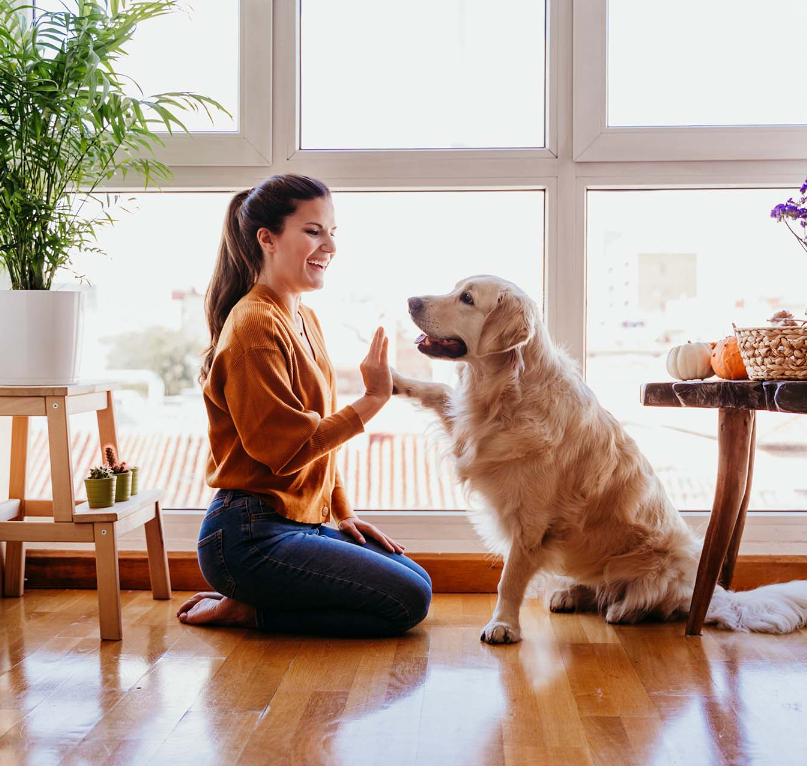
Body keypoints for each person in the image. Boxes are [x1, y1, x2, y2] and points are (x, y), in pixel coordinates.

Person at [177, 174, 432, 637]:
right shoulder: (254, 326)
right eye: (314, 231)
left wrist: (343, 512)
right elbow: (287, 450)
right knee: (408, 601)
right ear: (267, 239)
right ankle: (247, 610)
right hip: (247, 535)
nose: (329, 245)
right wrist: (374, 398)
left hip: (298, 522)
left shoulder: (302, 316)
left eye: (333, 232)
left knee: (418, 580)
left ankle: (254, 603)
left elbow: (318, 444)